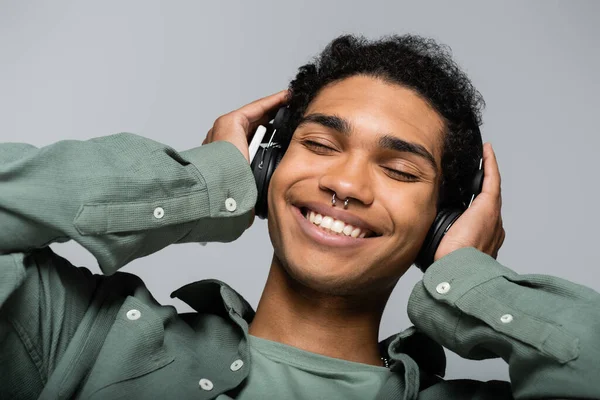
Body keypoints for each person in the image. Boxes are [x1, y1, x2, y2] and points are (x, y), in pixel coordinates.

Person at [0, 34, 598, 400]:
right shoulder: (84, 338)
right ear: (267, 170)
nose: (344, 183)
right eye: (319, 144)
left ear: (446, 220)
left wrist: (473, 281)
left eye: (399, 169)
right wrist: (204, 183)